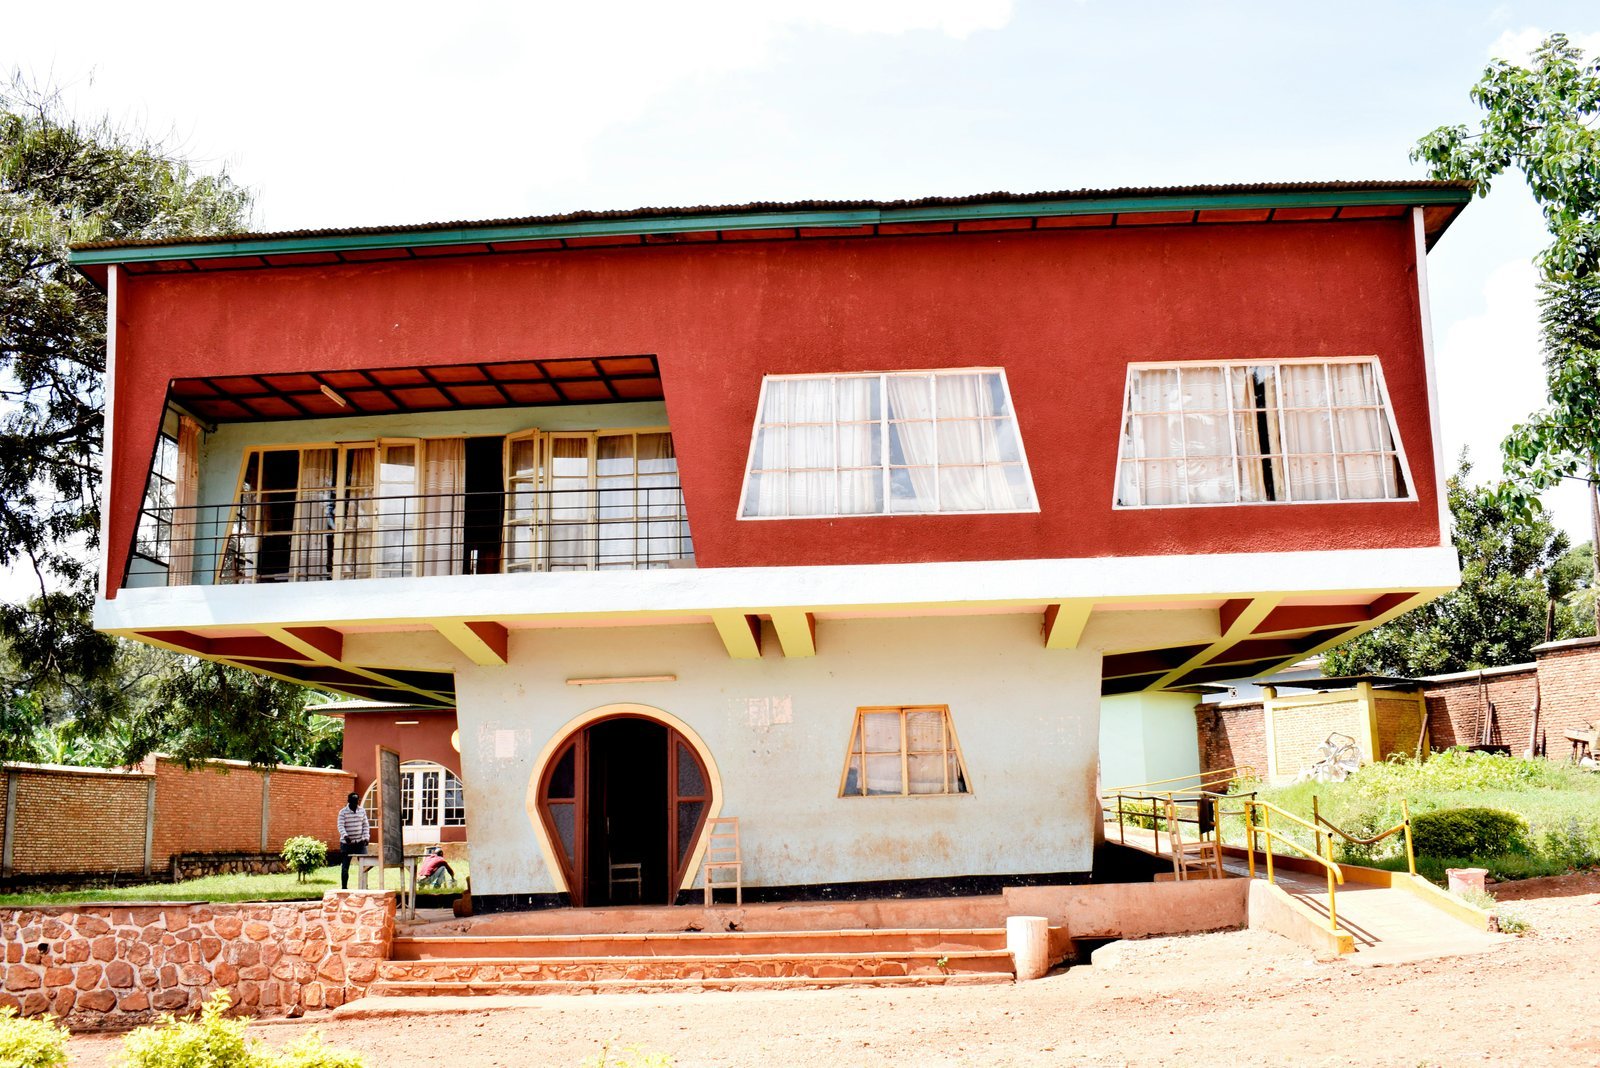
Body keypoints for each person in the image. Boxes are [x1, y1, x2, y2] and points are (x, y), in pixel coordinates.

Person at [337, 792, 371, 889]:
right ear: (348, 801)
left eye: (356, 802)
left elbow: (365, 825)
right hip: (346, 844)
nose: (355, 804)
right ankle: (344, 887)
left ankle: (364, 887)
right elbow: (340, 826)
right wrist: (345, 836)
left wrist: (366, 837)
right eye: (353, 802)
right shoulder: (342, 812)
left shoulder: (362, 811)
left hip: (360, 843)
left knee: (365, 866)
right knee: (345, 867)